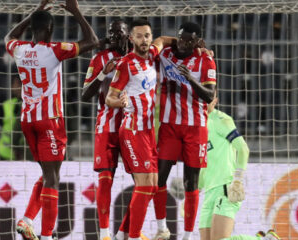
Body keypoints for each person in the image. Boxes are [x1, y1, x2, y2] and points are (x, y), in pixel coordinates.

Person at [4, 0, 98, 239]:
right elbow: (93, 41)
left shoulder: (19, 49)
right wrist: (75, 11)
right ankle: (46, 236)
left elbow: (8, 36)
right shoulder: (54, 50)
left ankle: (27, 220)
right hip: (50, 121)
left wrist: (36, 12)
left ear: (32, 29)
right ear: (50, 30)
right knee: (53, 178)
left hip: (28, 121)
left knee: (47, 175)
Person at [105, 18, 175, 240]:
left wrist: (198, 47)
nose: (144, 40)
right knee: (145, 185)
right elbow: (109, 98)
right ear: (131, 38)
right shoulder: (126, 64)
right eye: (139, 36)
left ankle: (123, 234)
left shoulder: (152, 56)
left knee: (152, 186)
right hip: (133, 129)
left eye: (147, 36)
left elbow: (163, 40)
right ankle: (133, 237)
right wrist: (121, 103)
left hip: (147, 132)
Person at [152, 22, 216, 240]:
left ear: (197, 42)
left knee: (191, 182)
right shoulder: (165, 54)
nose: (183, 43)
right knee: (159, 178)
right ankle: (162, 228)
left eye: (189, 40)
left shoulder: (205, 60)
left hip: (195, 128)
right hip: (169, 126)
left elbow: (209, 95)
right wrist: (171, 40)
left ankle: (188, 236)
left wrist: (191, 79)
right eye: (181, 38)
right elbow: (157, 41)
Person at [198, 94, 280, 240]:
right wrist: (193, 193)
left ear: (216, 100)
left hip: (226, 188)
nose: (204, 100)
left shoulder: (221, 120)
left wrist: (237, 180)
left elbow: (243, 149)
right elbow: (204, 165)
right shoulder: (196, 126)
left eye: (209, 97)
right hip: (209, 192)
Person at [81, 19, 129, 240]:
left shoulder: (140, 57)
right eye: (111, 33)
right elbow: (85, 94)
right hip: (107, 125)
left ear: (128, 34)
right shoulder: (99, 58)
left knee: (146, 181)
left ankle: (126, 232)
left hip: (133, 126)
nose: (114, 37)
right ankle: (105, 234)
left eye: (119, 33)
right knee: (105, 179)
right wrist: (102, 73)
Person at [0, 76, 24, 160]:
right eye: (14, 84)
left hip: (24, 154)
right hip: (5, 153)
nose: (14, 87)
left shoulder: (32, 105)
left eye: (17, 84)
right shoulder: (6, 105)